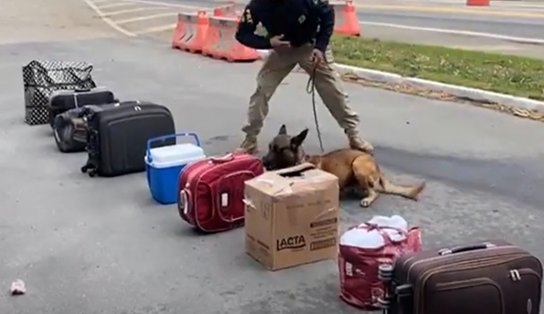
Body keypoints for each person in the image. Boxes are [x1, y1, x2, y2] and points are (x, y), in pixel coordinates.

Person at [233, 0, 374, 155]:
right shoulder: (257, 5)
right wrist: (268, 42)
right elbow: (242, 35)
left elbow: (327, 15)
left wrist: (320, 47)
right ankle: (250, 139)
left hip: (311, 46)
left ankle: (353, 134)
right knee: (261, 91)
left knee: (334, 91)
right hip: (282, 50)